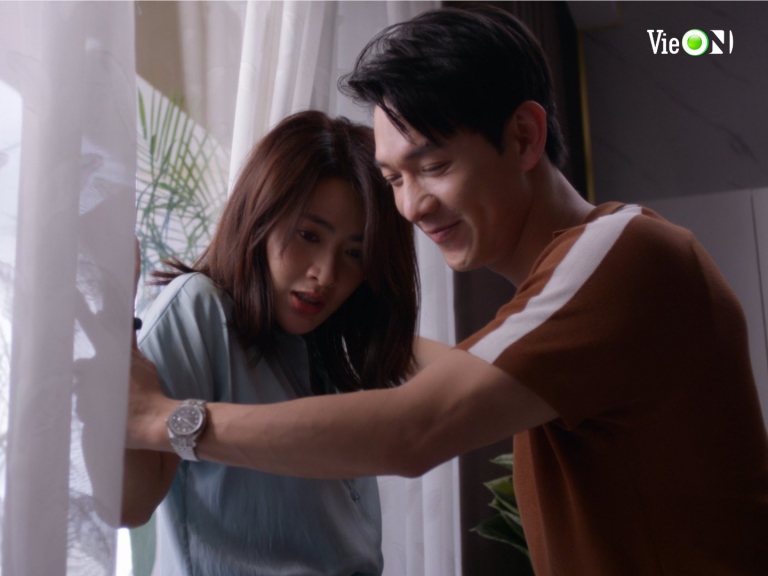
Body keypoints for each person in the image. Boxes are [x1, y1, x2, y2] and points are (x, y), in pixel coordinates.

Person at [127, 7, 768, 575]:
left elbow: (414, 430)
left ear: (524, 137)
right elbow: (452, 376)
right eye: (394, 179)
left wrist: (162, 419)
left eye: (433, 166)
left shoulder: (619, 256)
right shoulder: (586, 281)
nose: (412, 206)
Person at [121, 110, 438, 575]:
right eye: (308, 235)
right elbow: (129, 505)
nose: (325, 274)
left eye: (355, 253)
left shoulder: (323, 344)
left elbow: (475, 376)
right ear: (261, 216)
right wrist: (112, 353)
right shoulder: (199, 309)